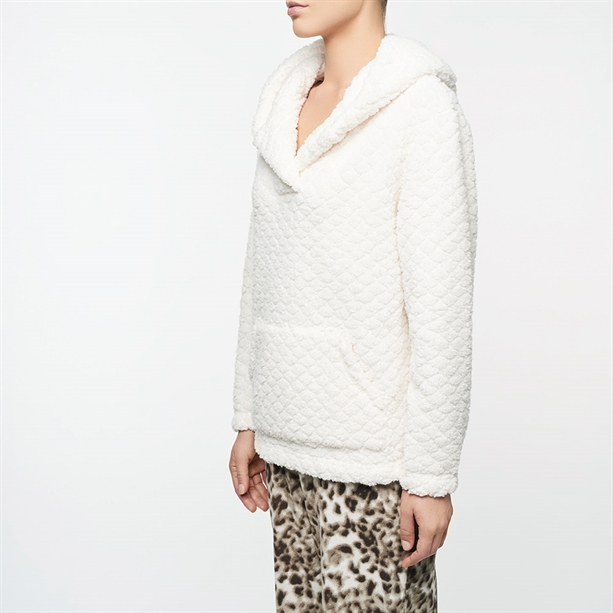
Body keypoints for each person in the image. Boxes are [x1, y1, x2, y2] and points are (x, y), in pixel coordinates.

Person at [228, 0, 478, 610]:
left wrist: (431, 476)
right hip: (288, 443)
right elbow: (262, 270)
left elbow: (442, 308)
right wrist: (249, 416)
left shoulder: (421, 107)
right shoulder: (282, 104)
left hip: (376, 462)